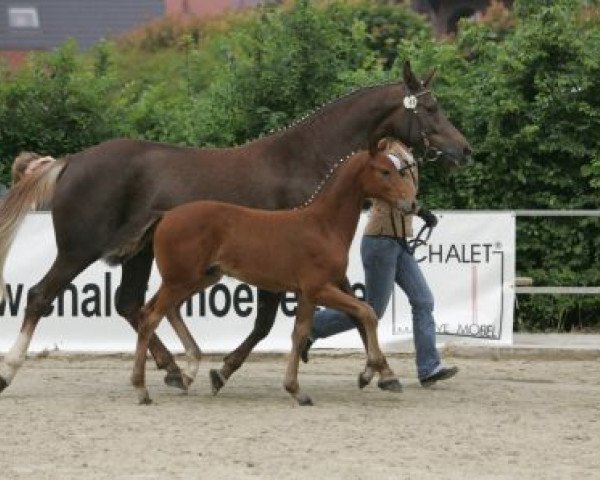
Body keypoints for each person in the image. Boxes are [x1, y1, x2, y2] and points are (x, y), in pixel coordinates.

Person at [303, 139, 458, 387]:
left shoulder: (407, 155)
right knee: (374, 309)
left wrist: (420, 212)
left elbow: (404, 196)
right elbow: (391, 190)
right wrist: (419, 210)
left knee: (423, 300)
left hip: (400, 242)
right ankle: (313, 326)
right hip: (381, 242)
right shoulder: (392, 155)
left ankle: (429, 368)